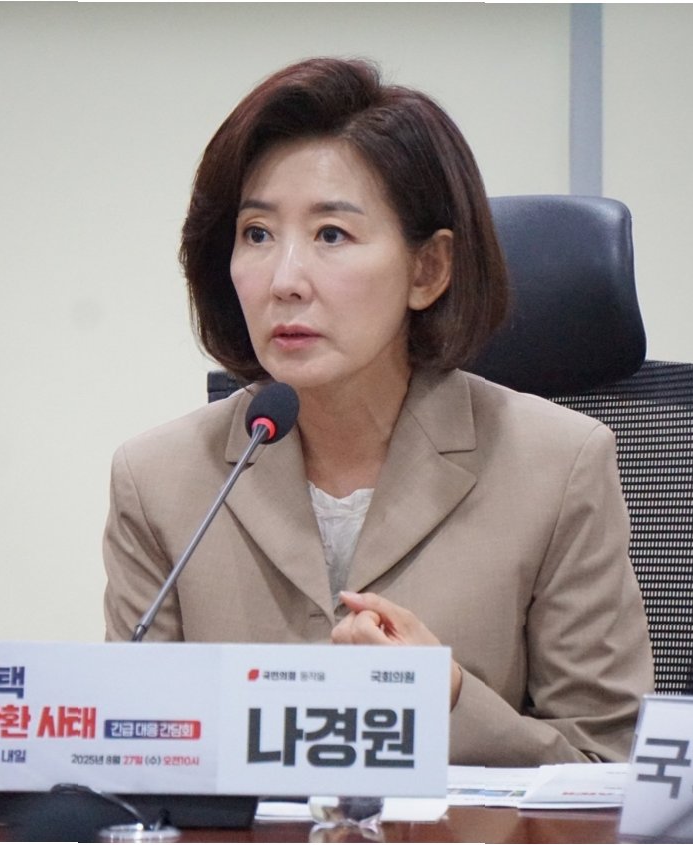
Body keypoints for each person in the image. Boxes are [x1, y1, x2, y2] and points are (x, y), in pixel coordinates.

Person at [103, 57, 654, 765]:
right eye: (257, 233)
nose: (284, 280)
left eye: (331, 234)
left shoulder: (558, 466)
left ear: (428, 269)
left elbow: (610, 770)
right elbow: (133, 755)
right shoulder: (158, 481)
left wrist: (446, 698)